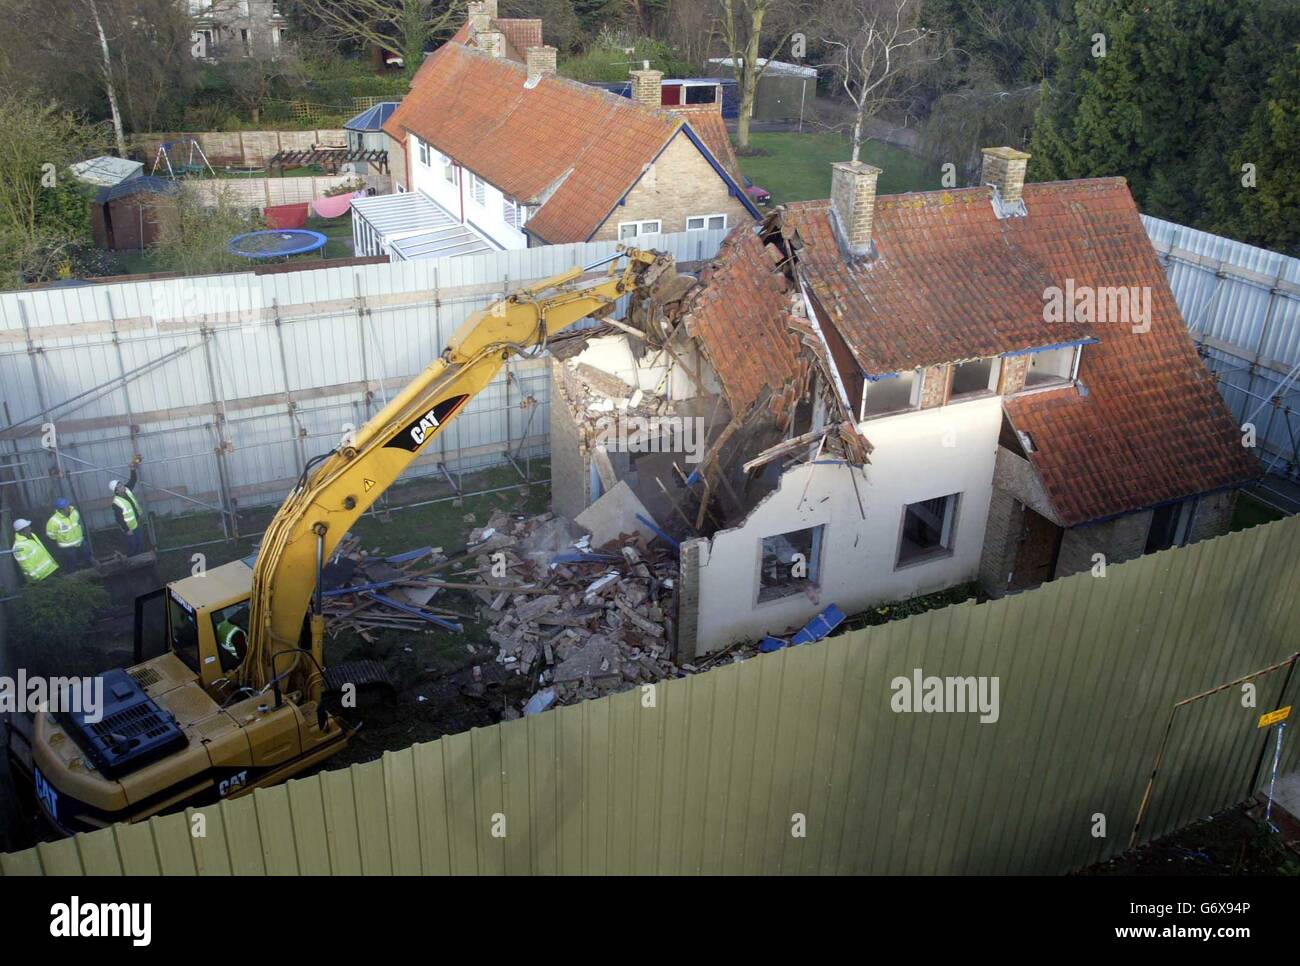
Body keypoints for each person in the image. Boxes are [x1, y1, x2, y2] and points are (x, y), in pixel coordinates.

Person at [110, 460, 146, 557]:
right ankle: (131, 561)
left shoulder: (127, 490)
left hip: (136, 521)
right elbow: (119, 519)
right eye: (120, 486)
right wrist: (127, 530)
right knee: (132, 545)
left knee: (139, 542)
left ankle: (138, 558)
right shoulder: (116, 503)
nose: (123, 486)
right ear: (116, 491)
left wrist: (132, 469)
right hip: (130, 527)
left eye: (121, 484)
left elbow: (133, 480)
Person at [45, 498, 93, 571]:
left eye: (68, 505)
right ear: (61, 510)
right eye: (66, 506)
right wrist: (63, 539)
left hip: (80, 541)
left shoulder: (74, 513)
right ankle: (73, 575)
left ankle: (90, 568)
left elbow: (77, 524)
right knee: (72, 561)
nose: (69, 507)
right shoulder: (53, 521)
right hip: (67, 546)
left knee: (87, 555)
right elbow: (51, 535)